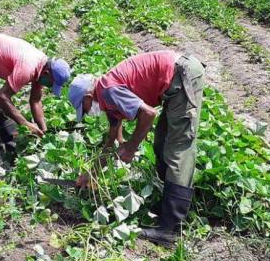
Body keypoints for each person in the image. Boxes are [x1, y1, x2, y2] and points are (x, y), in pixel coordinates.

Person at [68, 51, 205, 247]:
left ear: (89, 95)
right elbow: (111, 142)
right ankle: (169, 206)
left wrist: (131, 148)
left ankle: (170, 229)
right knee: (161, 143)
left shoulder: (108, 90)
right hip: (174, 80)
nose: (89, 112)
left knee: (177, 149)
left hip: (182, 74)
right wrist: (92, 173)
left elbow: (148, 114)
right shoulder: (107, 99)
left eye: (85, 107)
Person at [0, 34, 71, 171]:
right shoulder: (28, 68)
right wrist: (24, 123)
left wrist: (44, 131)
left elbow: (35, 101)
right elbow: (3, 97)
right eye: (51, 84)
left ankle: (11, 146)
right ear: (47, 73)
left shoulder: (43, 69)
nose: (49, 87)